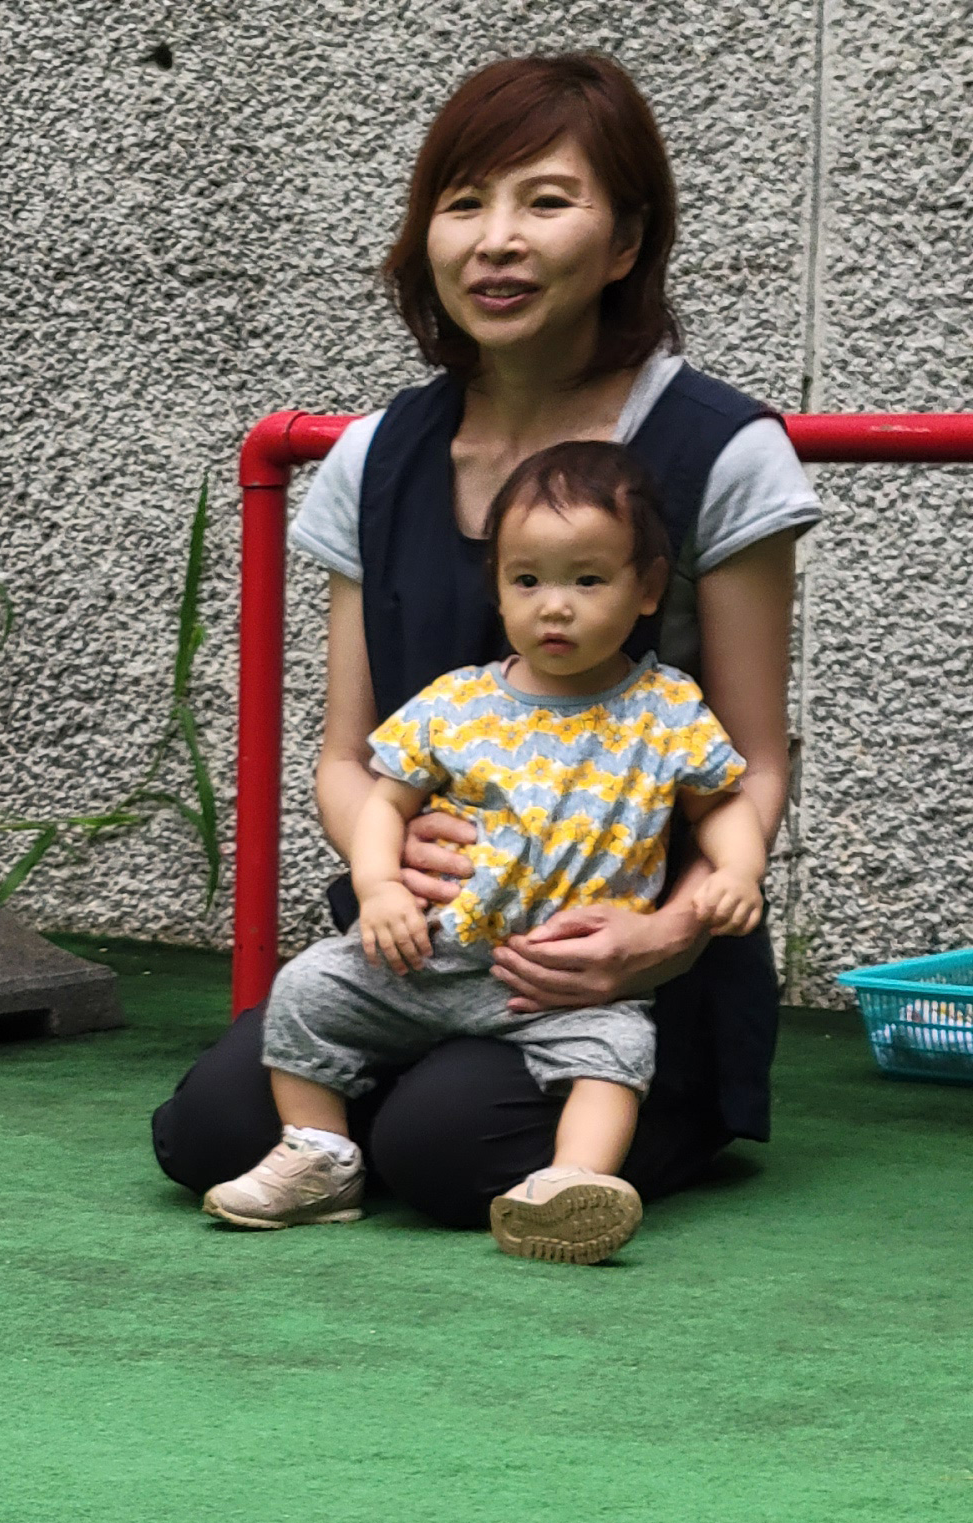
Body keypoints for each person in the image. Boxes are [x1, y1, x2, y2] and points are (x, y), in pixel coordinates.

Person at [152, 52, 816, 1231]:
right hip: (422, 950)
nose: (496, 241)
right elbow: (346, 756)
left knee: (440, 1144)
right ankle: (363, 1121)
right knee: (206, 1130)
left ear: (625, 242)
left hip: (619, 971)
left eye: (546, 202)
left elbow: (754, 761)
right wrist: (385, 861)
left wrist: (664, 934)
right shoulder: (374, 457)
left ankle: (608, 1126)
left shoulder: (723, 450)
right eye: (463, 204)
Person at [202, 443, 759, 1264]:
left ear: (647, 589)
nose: (554, 607)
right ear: (496, 587)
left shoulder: (667, 709)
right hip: (430, 955)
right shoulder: (458, 702)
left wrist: (738, 871)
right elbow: (385, 803)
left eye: (588, 580)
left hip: (561, 981)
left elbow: (722, 805)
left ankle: (571, 1184)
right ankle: (319, 1156)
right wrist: (379, 886)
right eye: (527, 580)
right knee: (310, 989)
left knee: (615, 1054)